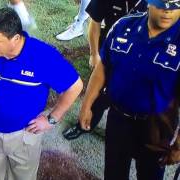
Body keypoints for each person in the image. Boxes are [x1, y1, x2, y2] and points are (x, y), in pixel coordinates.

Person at [0, 7, 83, 180]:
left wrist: (52, 119)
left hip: (25, 134)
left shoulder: (43, 56)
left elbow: (75, 86)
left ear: (16, 38)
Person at [79, 0, 180, 179]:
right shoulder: (123, 25)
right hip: (118, 119)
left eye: (175, 4)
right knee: (113, 173)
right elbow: (102, 68)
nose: (167, 11)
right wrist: (86, 104)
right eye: (161, 3)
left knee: (150, 176)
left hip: (157, 128)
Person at [62, 0, 148, 140]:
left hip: (140, 59)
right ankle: (83, 125)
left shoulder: (158, 4)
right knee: (98, 94)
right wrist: (94, 54)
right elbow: (95, 22)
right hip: (110, 52)